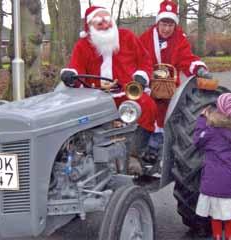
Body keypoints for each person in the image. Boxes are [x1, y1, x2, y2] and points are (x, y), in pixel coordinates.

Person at [60, 6, 157, 174]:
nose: (105, 25)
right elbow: (76, 68)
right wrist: (70, 75)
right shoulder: (83, 45)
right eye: (99, 23)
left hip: (127, 92)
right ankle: (83, 153)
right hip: (94, 95)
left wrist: (141, 76)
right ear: (90, 26)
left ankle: (134, 154)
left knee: (146, 106)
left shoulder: (127, 37)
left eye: (107, 21)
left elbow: (145, 61)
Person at [139, 0, 208, 167]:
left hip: (170, 86)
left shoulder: (179, 39)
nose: (166, 28)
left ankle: (165, 147)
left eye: (170, 24)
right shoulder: (146, 38)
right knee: (144, 108)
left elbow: (186, 58)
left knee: (173, 112)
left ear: (174, 25)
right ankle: (141, 145)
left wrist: (197, 68)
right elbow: (138, 57)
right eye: (164, 23)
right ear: (158, 22)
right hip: (150, 84)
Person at [194, 93, 231, 240]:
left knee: (216, 216)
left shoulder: (213, 131)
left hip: (214, 181)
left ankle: (217, 237)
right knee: (229, 215)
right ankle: (230, 237)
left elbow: (197, 141)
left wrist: (202, 119)